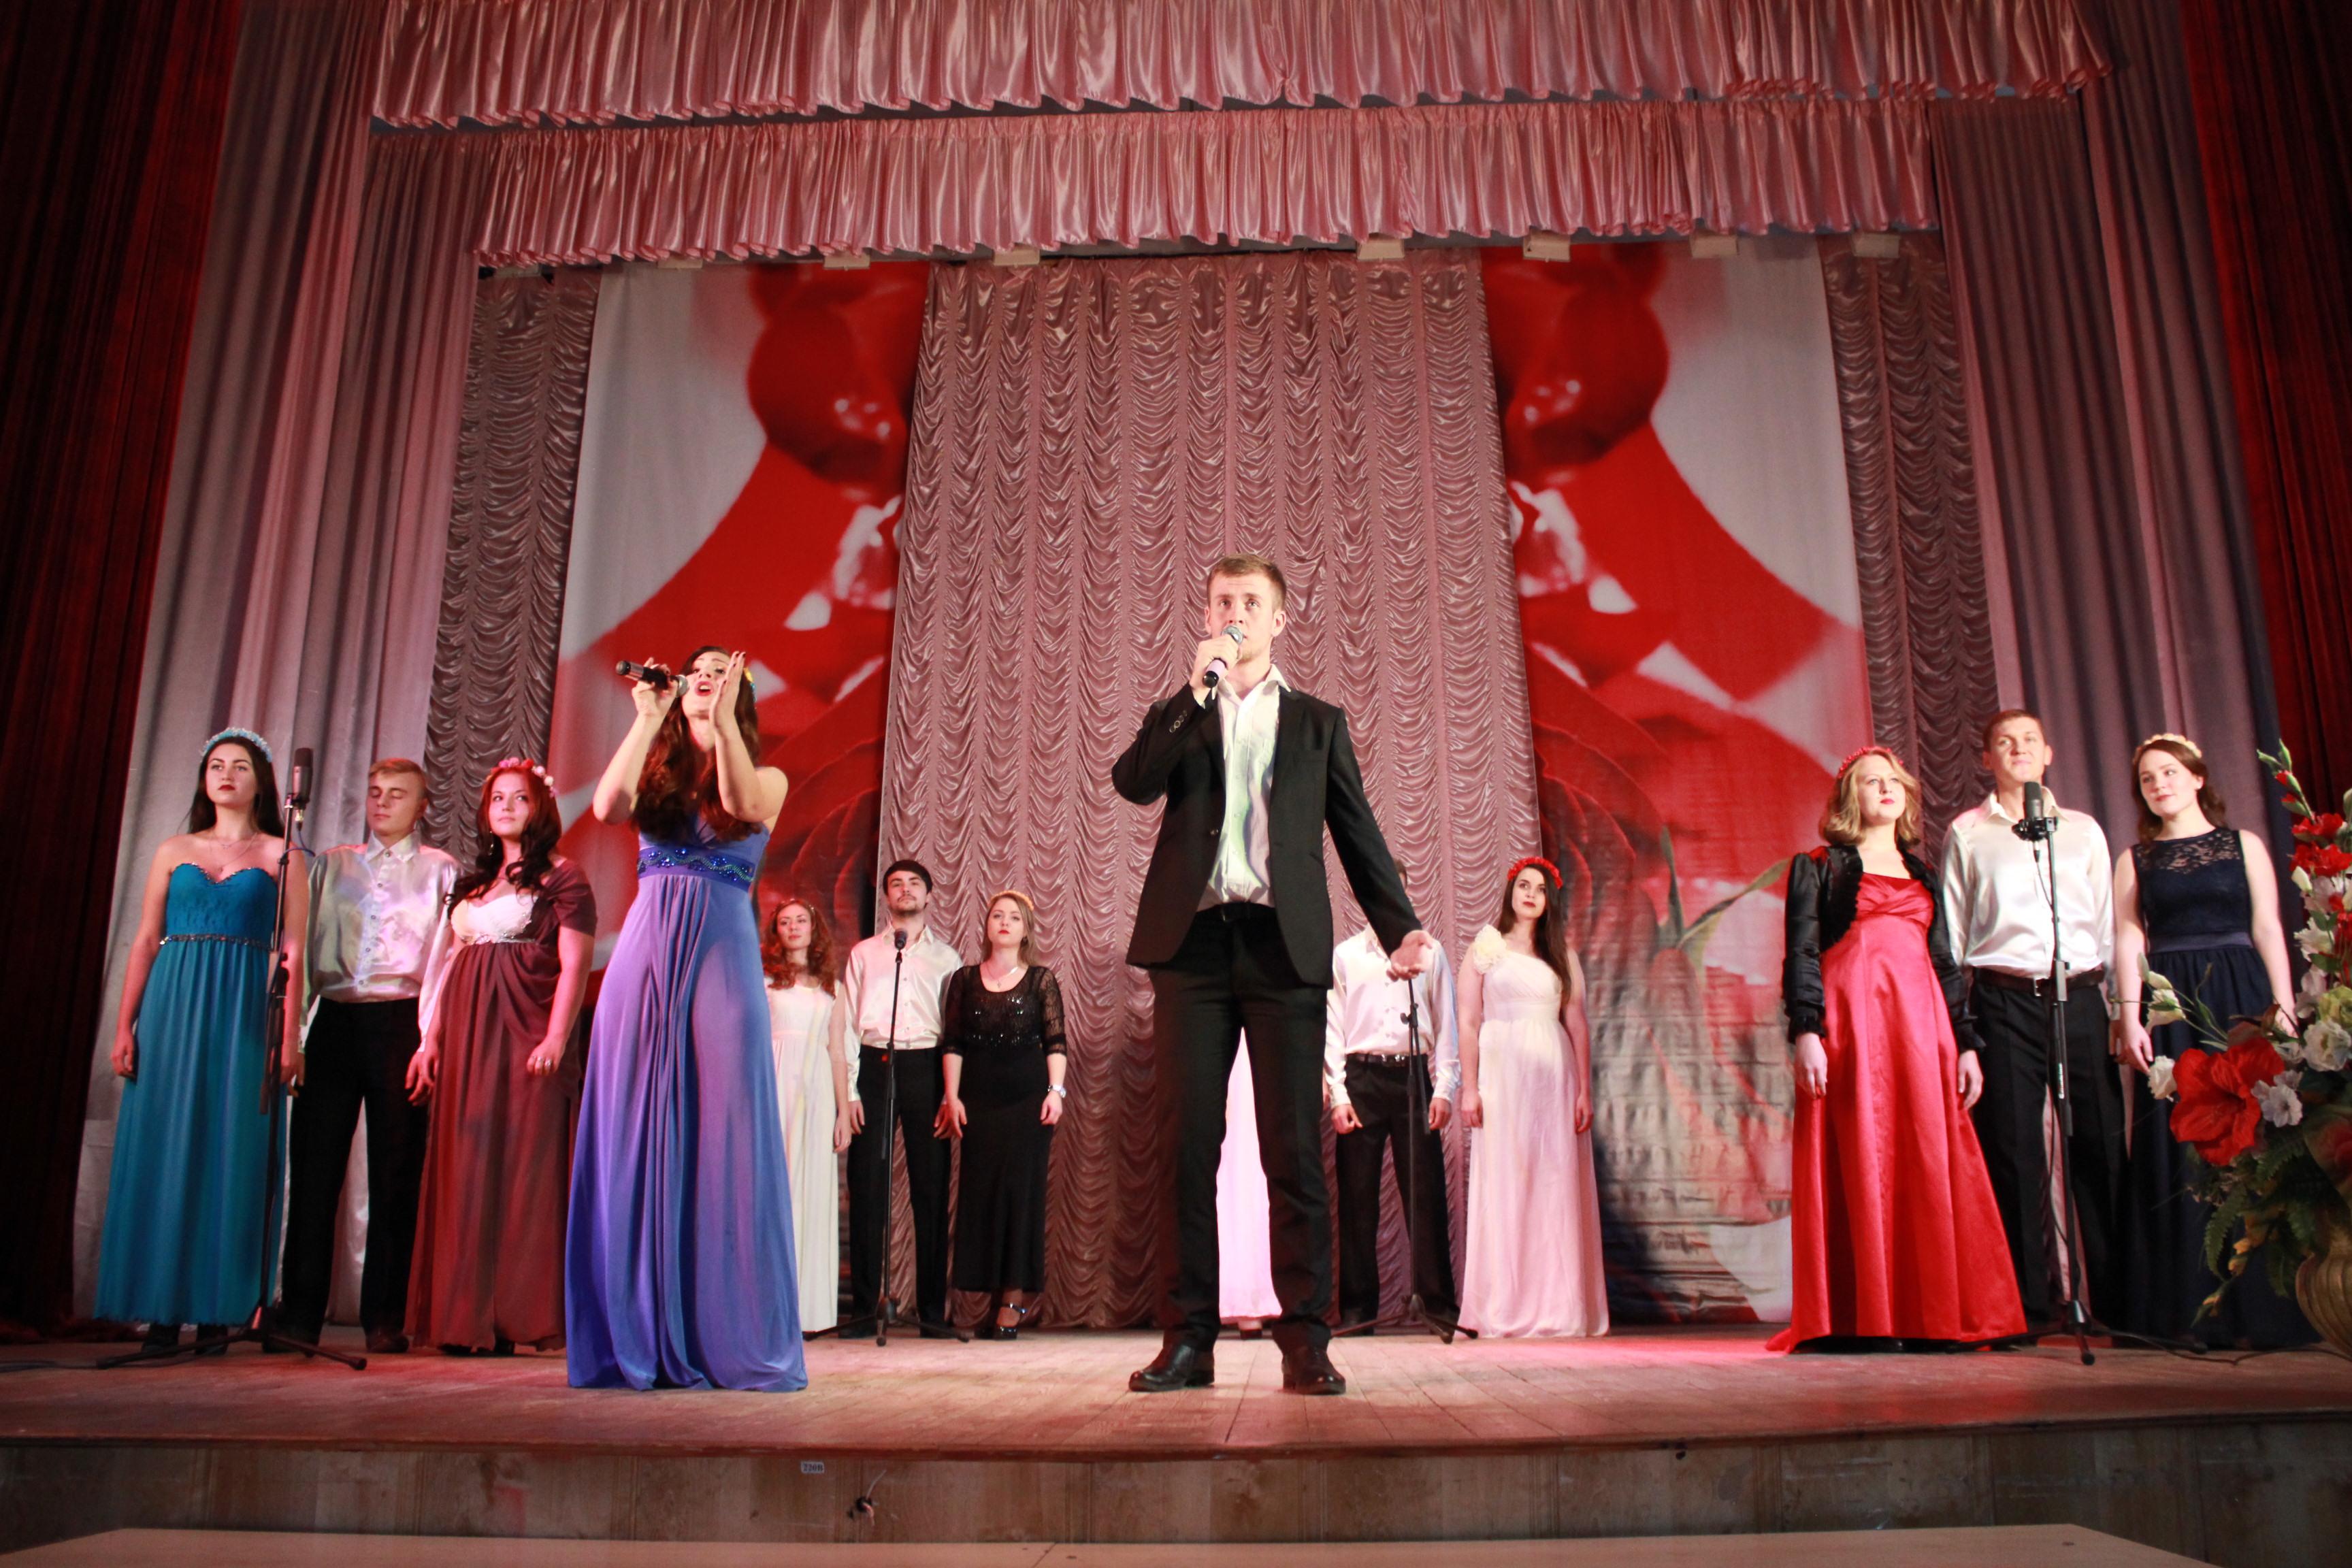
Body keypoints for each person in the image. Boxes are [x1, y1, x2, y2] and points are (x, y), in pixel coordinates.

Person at [1113, 552, 1437, 1396]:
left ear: (1280, 619)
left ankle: (1305, 1342)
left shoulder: (1317, 723)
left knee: (1292, 1150)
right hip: (1192, 948)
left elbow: (1357, 832)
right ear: (1207, 613)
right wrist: (1193, 693)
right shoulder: (1182, 712)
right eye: (1224, 600)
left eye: (1251, 602)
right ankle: (1188, 1342)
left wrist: (1399, 925)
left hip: (1282, 948)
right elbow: (1133, 783)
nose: (1236, 613)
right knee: (1187, 1150)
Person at [566, 647, 804, 1390]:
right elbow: (606, 809)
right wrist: (648, 717)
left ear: (741, 691)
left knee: (725, 1122)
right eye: (697, 667)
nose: (705, 674)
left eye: (721, 669)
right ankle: (634, 1323)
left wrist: (723, 723)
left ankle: (722, 1329)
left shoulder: (768, 776)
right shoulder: (657, 767)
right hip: (648, 946)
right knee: (635, 1120)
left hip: (722, 949)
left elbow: (741, 803)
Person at [1774, 747, 2025, 1350]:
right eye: (1871, 781)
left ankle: (1929, 1314)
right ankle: (1862, 1316)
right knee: (1859, 1148)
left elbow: (1945, 964)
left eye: (1893, 781)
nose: (1885, 789)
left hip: (1920, 1027)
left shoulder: (1924, 874)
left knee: (1926, 1154)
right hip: (1852, 1024)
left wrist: (1967, 1044)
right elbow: (1802, 952)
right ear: (1849, 798)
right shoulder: (1819, 867)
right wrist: (1807, 1031)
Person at [99, 730, 305, 1350]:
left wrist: (287, 1035)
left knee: (232, 1148)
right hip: (174, 1002)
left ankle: (218, 1310)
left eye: (240, 766)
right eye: (216, 765)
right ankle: (161, 1309)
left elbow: (293, 948)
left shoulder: (283, 855)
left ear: (261, 782)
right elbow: (145, 939)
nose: (226, 775)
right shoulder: (173, 850)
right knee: (166, 1144)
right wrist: (125, 1024)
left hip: (244, 1006)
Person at [2110, 734, 2313, 1346]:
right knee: (2182, 1140)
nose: (2159, 785)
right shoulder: (2136, 859)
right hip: (2173, 1002)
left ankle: (2267, 1307)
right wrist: (2129, 1015)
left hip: (2241, 993)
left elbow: (2268, 926)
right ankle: (2190, 1308)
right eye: (2148, 779)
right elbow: (2128, 938)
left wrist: (2283, 1004)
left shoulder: (2242, 844)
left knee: (2254, 1138)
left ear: (2197, 777)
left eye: (2169, 772)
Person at [404, 760, 595, 1355]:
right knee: (468, 1163)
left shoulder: (564, 877)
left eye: (520, 798)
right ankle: (464, 1314)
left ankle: (516, 1315)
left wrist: (556, 1037)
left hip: (525, 1030)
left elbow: (575, 965)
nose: (506, 807)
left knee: (522, 1169)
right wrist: (430, 1041)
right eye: (497, 799)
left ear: (542, 808)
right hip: (466, 1036)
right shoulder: (474, 884)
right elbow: (445, 967)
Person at [1940, 710, 2125, 1327]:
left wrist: (2115, 1003)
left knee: (2099, 1143)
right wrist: (1962, 1028)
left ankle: (2118, 1303)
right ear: (1987, 759)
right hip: (2004, 999)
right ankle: (2025, 1305)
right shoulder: (1968, 832)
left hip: (2081, 996)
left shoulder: (2084, 831)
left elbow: (2105, 925)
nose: (2017, 749)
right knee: (2014, 1150)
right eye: (2004, 742)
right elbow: (1954, 936)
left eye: (2028, 741)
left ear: (2048, 753)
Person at [280, 757, 455, 1354]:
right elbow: (301, 953)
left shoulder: (440, 871)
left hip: (400, 1019)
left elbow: (444, 962)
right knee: (314, 1168)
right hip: (335, 1016)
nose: (382, 802)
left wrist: (429, 1040)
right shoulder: (331, 864)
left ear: (422, 807)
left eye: (397, 794)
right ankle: (298, 1315)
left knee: (396, 1172)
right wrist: (295, 1037)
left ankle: (385, 1316)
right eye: (376, 792)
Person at [1457, 858, 1608, 1339]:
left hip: (1552, 1080)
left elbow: (1577, 1021)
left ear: (1549, 901)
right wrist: (1469, 1087)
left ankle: (1558, 1306)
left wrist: (1584, 1089)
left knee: (1553, 1182)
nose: (1530, 894)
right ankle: (1504, 1304)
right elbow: (1468, 1022)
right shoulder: (1486, 947)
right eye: (1523, 886)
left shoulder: (1561, 955)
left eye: (1540, 890)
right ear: (1511, 893)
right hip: (1502, 1077)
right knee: (1508, 1180)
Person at [1326, 887, 1460, 1333]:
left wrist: (1445, 1087)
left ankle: (1438, 1306)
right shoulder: (1346, 955)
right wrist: (1339, 1093)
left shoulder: (1430, 953)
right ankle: (1358, 1312)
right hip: (1361, 1076)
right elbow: (1333, 1025)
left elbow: (1446, 1020)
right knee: (1357, 1197)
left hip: (1412, 1076)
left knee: (1426, 1192)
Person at [839, 858, 963, 1338]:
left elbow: (955, 1032)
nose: (905, 890)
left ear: (929, 895)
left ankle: (931, 1313)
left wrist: (951, 1092)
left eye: (914, 883)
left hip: (925, 1065)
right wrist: (850, 1090)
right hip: (874, 1063)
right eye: (896, 884)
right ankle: (864, 1309)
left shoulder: (947, 958)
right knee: (867, 1184)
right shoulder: (865, 953)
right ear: (886, 897)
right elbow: (847, 1024)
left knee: (930, 1187)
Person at [936, 889, 1068, 1339]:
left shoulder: (1041, 980)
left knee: (1020, 1197)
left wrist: (1056, 1092)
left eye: (1014, 917)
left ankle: (1013, 1300)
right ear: (988, 925)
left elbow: (1055, 1042)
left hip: (1027, 1102)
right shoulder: (964, 979)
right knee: (983, 1197)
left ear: (1026, 930)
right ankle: (991, 1298)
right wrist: (951, 1097)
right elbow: (953, 1043)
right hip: (978, 1102)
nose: (1005, 922)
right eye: (998, 915)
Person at [763, 894, 853, 1335]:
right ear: (776, 931)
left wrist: (843, 1112)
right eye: (785, 922)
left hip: (816, 1091)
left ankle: (807, 1311)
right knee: (778, 1187)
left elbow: (837, 1052)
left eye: (801, 920)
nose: (794, 927)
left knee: (812, 1191)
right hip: (775, 1083)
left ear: (814, 929)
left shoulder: (831, 986)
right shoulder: (764, 981)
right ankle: (769, 1308)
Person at [1216, 1039, 1281, 1337]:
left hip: (1274, 1052)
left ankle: (1274, 1296)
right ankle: (1241, 1298)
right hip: (1227, 1065)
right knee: (1235, 1176)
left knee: (1267, 1178)